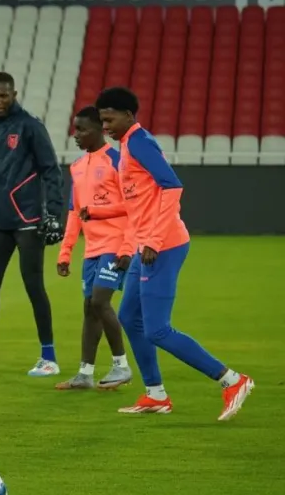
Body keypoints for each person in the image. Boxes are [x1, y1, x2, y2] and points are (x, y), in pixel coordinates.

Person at [95, 87, 254, 419]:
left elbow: (172, 185)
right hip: (146, 245)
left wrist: (152, 240)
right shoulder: (127, 145)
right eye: (102, 120)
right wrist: (118, 234)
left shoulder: (139, 142)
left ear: (128, 115)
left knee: (157, 329)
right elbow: (137, 203)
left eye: (109, 119)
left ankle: (232, 380)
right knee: (129, 317)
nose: (105, 126)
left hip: (162, 246)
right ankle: (156, 395)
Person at [0, 72, 65, 377]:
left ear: (14, 94)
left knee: (34, 286)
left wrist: (54, 215)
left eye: (4, 95)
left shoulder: (30, 126)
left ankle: (49, 358)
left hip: (29, 220)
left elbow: (51, 171)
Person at [54, 107, 133, 390]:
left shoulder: (117, 161)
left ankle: (121, 366)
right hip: (92, 249)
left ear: (100, 130)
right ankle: (85, 374)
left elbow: (133, 206)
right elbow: (75, 213)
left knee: (100, 301)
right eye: (75, 129)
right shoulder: (76, 166)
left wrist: (127, 247)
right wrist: (65, 252)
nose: (77, 135)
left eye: (83, 130)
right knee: (90, 308)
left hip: (116, 244)